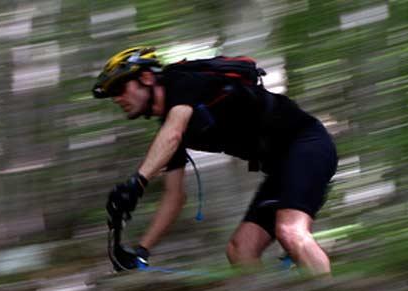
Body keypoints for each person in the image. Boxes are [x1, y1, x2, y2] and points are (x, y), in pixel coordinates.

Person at [94, 46, 338, 274]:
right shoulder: (171, 125)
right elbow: (174, 197)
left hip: (308, 144)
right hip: (281, 168)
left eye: (119, 88)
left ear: (146, 78)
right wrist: (141, 251)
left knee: (290, 232)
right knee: (240, 250)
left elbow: (173, 134)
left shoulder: (180, 82)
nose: (116, 98)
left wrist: (138, 182)